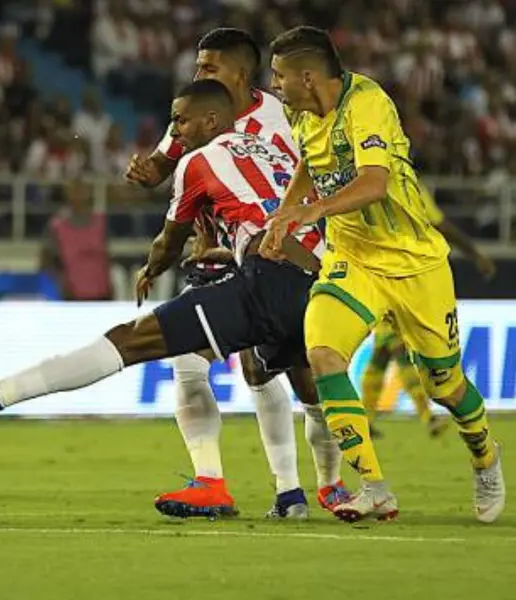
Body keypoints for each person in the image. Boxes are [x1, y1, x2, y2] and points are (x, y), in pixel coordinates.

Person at [0, 80, 328, 521]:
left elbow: (170, 240)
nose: (174, 131)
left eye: (181, 119)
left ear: (213, 120)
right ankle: (315, 490)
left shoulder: (199, 161)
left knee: (133, 340)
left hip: (266, 279)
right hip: (316, 277)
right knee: (279, 377)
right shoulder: (278, 153)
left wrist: (153, 267)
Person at [263, 26, 504, 523]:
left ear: (308, 77)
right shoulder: (300, 111)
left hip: (414, 261)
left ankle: (485, 455)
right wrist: (285, 214)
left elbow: (375, 183)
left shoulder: (367, 103)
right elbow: (311, 160)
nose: (275, 86)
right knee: (324, 354)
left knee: (445, 386)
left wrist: (312, 213)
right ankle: (374, 487)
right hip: (353, 257)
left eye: (279, 76)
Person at [127, 27, 345, 519]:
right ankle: (270, 490)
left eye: (209, 67)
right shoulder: (198, 113)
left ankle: (329, 483)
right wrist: (147, 174)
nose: (199, 74)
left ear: (241, 74)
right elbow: (167, 165)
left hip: (284, 254)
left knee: (302, 378)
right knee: (237, 367)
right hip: (225, 252)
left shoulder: (284, 116)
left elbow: (310, 181)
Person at [362, 181, 495, 439]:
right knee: (399, 348)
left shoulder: (364, 181)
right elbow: (441, 225)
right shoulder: (407, 185)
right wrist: (475, 254)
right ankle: (428, 416)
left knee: (383, 353)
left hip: (379, 273)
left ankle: (365, 419)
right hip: (397, 276)